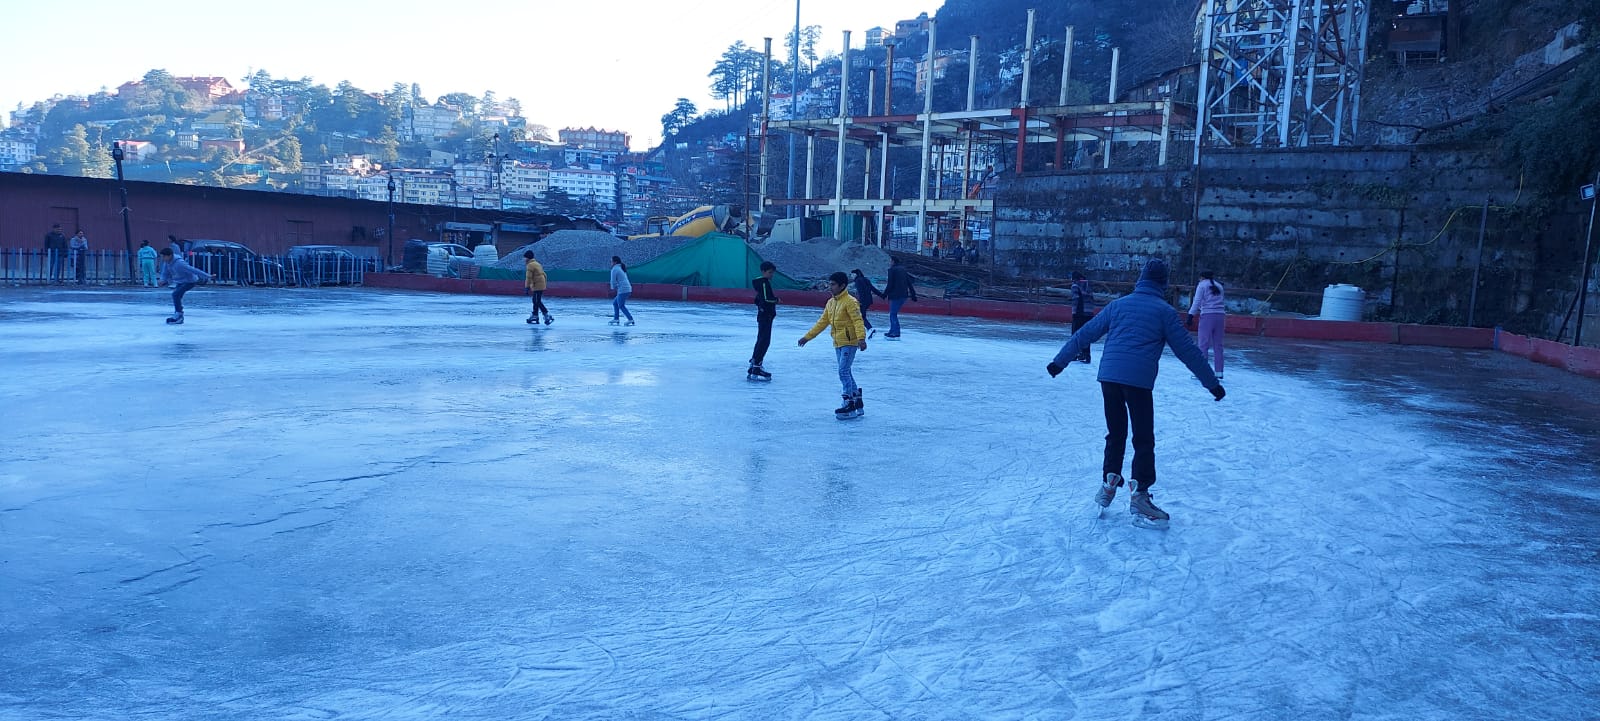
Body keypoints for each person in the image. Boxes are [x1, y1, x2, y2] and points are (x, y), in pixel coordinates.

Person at [1046, 259, 1225, 529]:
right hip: (1138, 381)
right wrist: (1213, 384)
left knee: (1115, 433)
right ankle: (1140, 494)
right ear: (1163, 283)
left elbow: (1085, 334)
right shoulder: (1164, 312)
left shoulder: (1118, 305)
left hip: (1109, 378)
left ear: (1140, 279)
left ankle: (1109, 483)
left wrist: (1059, 362)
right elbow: (1188, 352)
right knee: (1143, 438)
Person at [799, 271, 868, 419]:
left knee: (843, 371)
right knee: (846, 371)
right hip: (838, 342)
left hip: (850, 342)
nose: (830, 287)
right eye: (829, 284)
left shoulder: (850, 302)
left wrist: (861, 339)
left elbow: (858, 320)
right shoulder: (831, 303)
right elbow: (823, 322)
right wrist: (807, 337)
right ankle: (856, 399)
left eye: (833, 284)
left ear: (842, 285)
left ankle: (848, 402)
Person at [156, 246, 212, 325]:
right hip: (180, 281)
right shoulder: (167, 262)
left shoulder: (179, 263)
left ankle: (179, 315)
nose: (163, 259)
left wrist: (208, 276)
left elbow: (193, 270)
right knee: (176, 296)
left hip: (190, 281)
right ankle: (178, 315)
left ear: (170, 255)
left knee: (175, 294)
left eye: (164, 257)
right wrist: (162, 280)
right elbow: (164, 273)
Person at [1187, 270, 1226, 379]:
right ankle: (1219, 371)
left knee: (1203, 344)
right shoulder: (1219, 286)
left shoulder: (1202, 285)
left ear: (1202, 277)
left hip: (1208, 316)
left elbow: (1197, 301)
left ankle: (1202, 372)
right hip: (1220, 316)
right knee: (1218, 345)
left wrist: (1191, 315)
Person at [748, 261, 780, 380]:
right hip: (766, 315)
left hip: (763, 315)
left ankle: (754, 362)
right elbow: (767, 298)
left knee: (761, 339)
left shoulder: (760, 284)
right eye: (770, 272)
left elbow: (757, 300)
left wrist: (761, 305)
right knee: (765, 341)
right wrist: (776, 300)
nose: (772, 275)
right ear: (763, 272)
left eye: (772, 273)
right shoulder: (764, 283)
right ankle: (757, 365)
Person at [883, 255, 918, 338]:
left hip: (895, 295)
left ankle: (895, 332)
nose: (890, 263)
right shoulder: (903, 269)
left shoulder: (892, 270)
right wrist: (913, 294)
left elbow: (890, 284)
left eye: (890, 261)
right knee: (893, 314)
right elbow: (909, 282)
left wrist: (884, 294)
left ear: (893, 262)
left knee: (893, 314)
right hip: (903, 295)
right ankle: (892, 331)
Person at [850, 268, 884, 337]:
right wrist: (882, 295)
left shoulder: (858, 281)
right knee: (862, 316)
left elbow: (861, 292)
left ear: (855, 274)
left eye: (852, 274)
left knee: (859, 316)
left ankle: (870, 329)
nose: (851, 276)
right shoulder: (865, 279)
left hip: (863, 301)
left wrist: (861, 302)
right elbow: (873, 289)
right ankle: (864, 330)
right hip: (869, 300)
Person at [1070, 272, 1094, 363]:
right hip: (1089, 313)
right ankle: (1086, 355)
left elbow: (1075, 299)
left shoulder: (1075, 285)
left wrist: (1074, 313)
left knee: (1075, 335)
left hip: (1079, 313)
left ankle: (1074, 354)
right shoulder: (1089, 285)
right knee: (1086, 334)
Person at [523, 250, 553, 325]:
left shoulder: (530, 265)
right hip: (540, 284)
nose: (524, 259)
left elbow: (528, 277)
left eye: (525, 257)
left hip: (537, 284)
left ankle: (546, 315)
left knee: (537, 301)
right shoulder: (537, 263)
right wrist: (543, 283)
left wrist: (526, 287)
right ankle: (535, 315)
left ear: (527, 258)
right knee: (535, 300)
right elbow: (544, 274)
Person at [608, 255, 634, 326]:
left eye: (611, 261)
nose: (610, 263)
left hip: (623, 290)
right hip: (626, 289)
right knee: (615, 303)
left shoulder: (615, 269)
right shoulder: (620, 268)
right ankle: (616, 319)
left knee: (621, 305)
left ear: (615, 262)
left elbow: (613, 280)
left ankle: (630, 319)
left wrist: (613, 288)